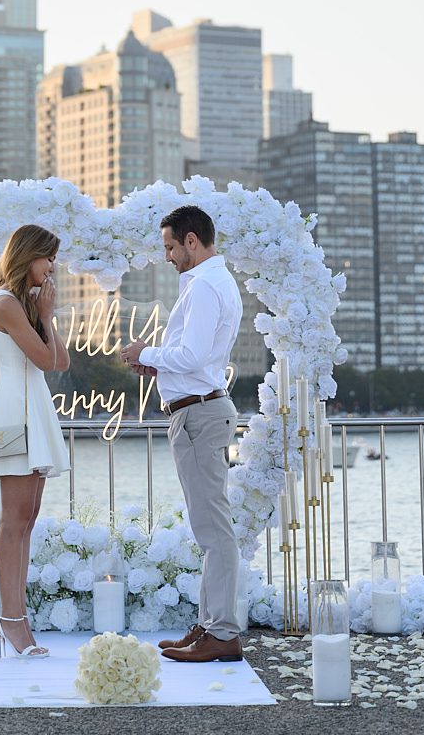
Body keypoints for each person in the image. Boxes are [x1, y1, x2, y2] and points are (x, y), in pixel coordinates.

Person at [121, 204, 243, 663]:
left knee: (214, 530)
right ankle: (213, 626)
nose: (168, 256)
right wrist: (155, 364)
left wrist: (146, 351)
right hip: (198, 410)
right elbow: (196, 359)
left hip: (200, 416)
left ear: (192, 241)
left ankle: (223, 633)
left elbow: (191, 355)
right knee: (209, 527)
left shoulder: (207, 285)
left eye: (171, 247)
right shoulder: (208, 283)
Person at [0, 224, 70, 658]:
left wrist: (46, 317)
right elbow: (44, 361)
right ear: (30, 257)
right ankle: (10, 621)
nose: (52, 268)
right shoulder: (5, 303)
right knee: (14, 519)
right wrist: (44, 316)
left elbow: (60, 360)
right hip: (10, 412)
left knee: (27, 518)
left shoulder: (22, 305)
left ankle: (16, 619)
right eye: (48, 259)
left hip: (31, 410)